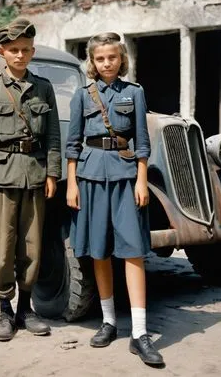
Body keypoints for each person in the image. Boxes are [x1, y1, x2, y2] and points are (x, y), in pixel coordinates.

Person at [65, 32, 164, 366]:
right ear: (92, 62)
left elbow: (142, 141)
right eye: (100, 58)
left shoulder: (134, 93)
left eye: (112, 57)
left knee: (133, 251)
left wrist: (140, 180)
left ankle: (140, 333)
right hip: (90, 177)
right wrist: (71, 184)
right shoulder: (81, 96)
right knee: (99, 250)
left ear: (122, 58)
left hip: (125, 178)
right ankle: (108, 322)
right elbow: (73, 143)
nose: (106, 63)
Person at [0, 17, 61, 342]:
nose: (19, 56)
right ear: (2, 52)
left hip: (34, 176)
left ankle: (26, 309)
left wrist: (53, 172)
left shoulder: (44, 88)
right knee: (1, 250)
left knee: (32, 248)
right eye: (13, 50)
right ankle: (4, 312)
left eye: (25, 50)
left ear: (32, 52)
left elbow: (53, 136)